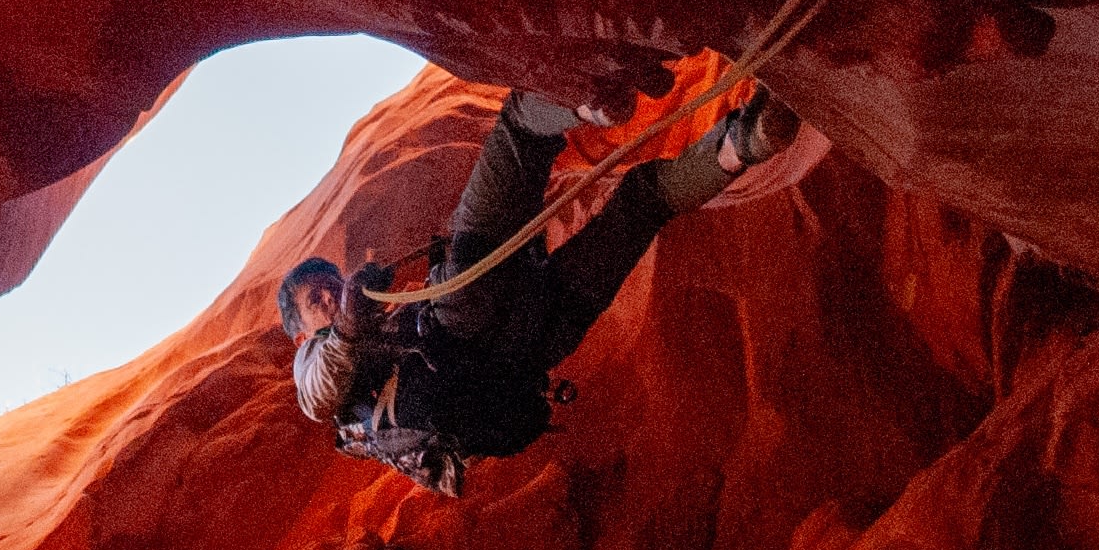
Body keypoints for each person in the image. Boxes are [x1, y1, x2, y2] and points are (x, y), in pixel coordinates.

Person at [281, 86, 799, 495]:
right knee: (519, 130)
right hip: (474, 326)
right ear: (301, 334)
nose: (328, 295)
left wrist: (361, 316)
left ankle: (743, 144)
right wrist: (347, 327)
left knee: (642, 204)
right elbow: (317, 396)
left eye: (329, 284)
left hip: (534, 334)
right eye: (314, 300)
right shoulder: (312, 361)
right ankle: (588, 98)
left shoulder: (370, 327)